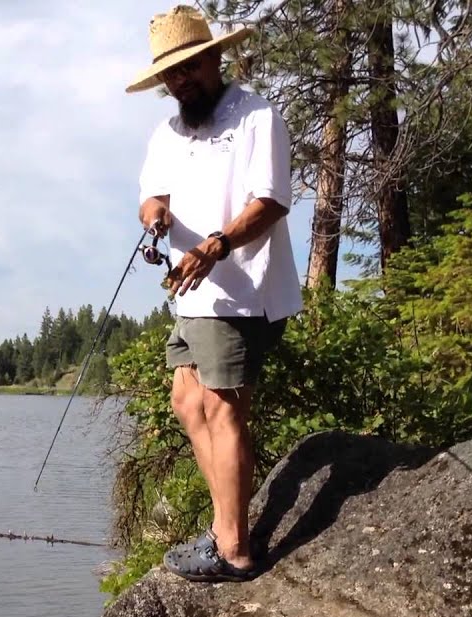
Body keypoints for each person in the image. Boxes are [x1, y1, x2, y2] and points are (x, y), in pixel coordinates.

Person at [126, 5, 303, 582]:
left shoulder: (256, 117)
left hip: (240, 292)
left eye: (190, 67)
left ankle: (234, 549)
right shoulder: (168, 131)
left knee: (224, 409)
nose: (181, 80)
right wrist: (156, 217)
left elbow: (272, 201)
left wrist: (217, 245)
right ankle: (224, 526)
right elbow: (153, 198)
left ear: (215, 57)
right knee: (186, 400)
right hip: (188, 296)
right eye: (171, 74)